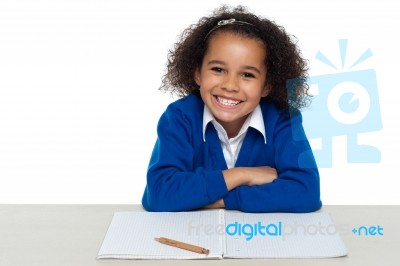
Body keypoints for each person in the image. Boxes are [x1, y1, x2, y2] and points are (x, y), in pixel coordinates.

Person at [142, 5, 322, 213]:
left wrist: (221, 200)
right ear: (198, 74)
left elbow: (306, 192)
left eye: (247, 75)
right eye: (218, 69)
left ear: (266, 86)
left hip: (260, 240)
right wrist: (242, 175)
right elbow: (159, 194)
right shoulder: (179, 117)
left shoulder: (282, 119)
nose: (230, 86)